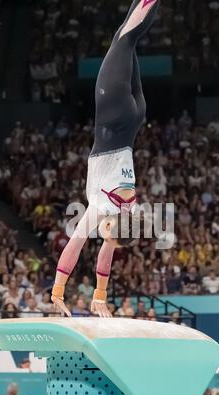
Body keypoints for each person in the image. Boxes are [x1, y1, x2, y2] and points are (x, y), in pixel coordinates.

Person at [51, 0, 161, 317]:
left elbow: (106, 256)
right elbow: (74, 246)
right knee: (123, 39)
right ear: (115, 223)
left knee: (127, 39)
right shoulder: (103, 210)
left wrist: (100, 295)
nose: (104, 237)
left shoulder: (129, 215)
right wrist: (57, 291)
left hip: (135, 116)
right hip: (114, 115)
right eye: (107, 233)